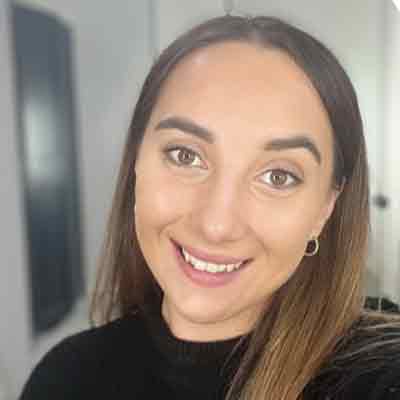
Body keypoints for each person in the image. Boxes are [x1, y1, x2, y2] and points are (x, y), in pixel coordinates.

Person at [19, 14, 400, 400]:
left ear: (325, 208)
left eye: (279, 177)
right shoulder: (65, 379)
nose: (216, 225)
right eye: (185, 155)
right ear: (137, 162)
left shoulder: (379, 371)